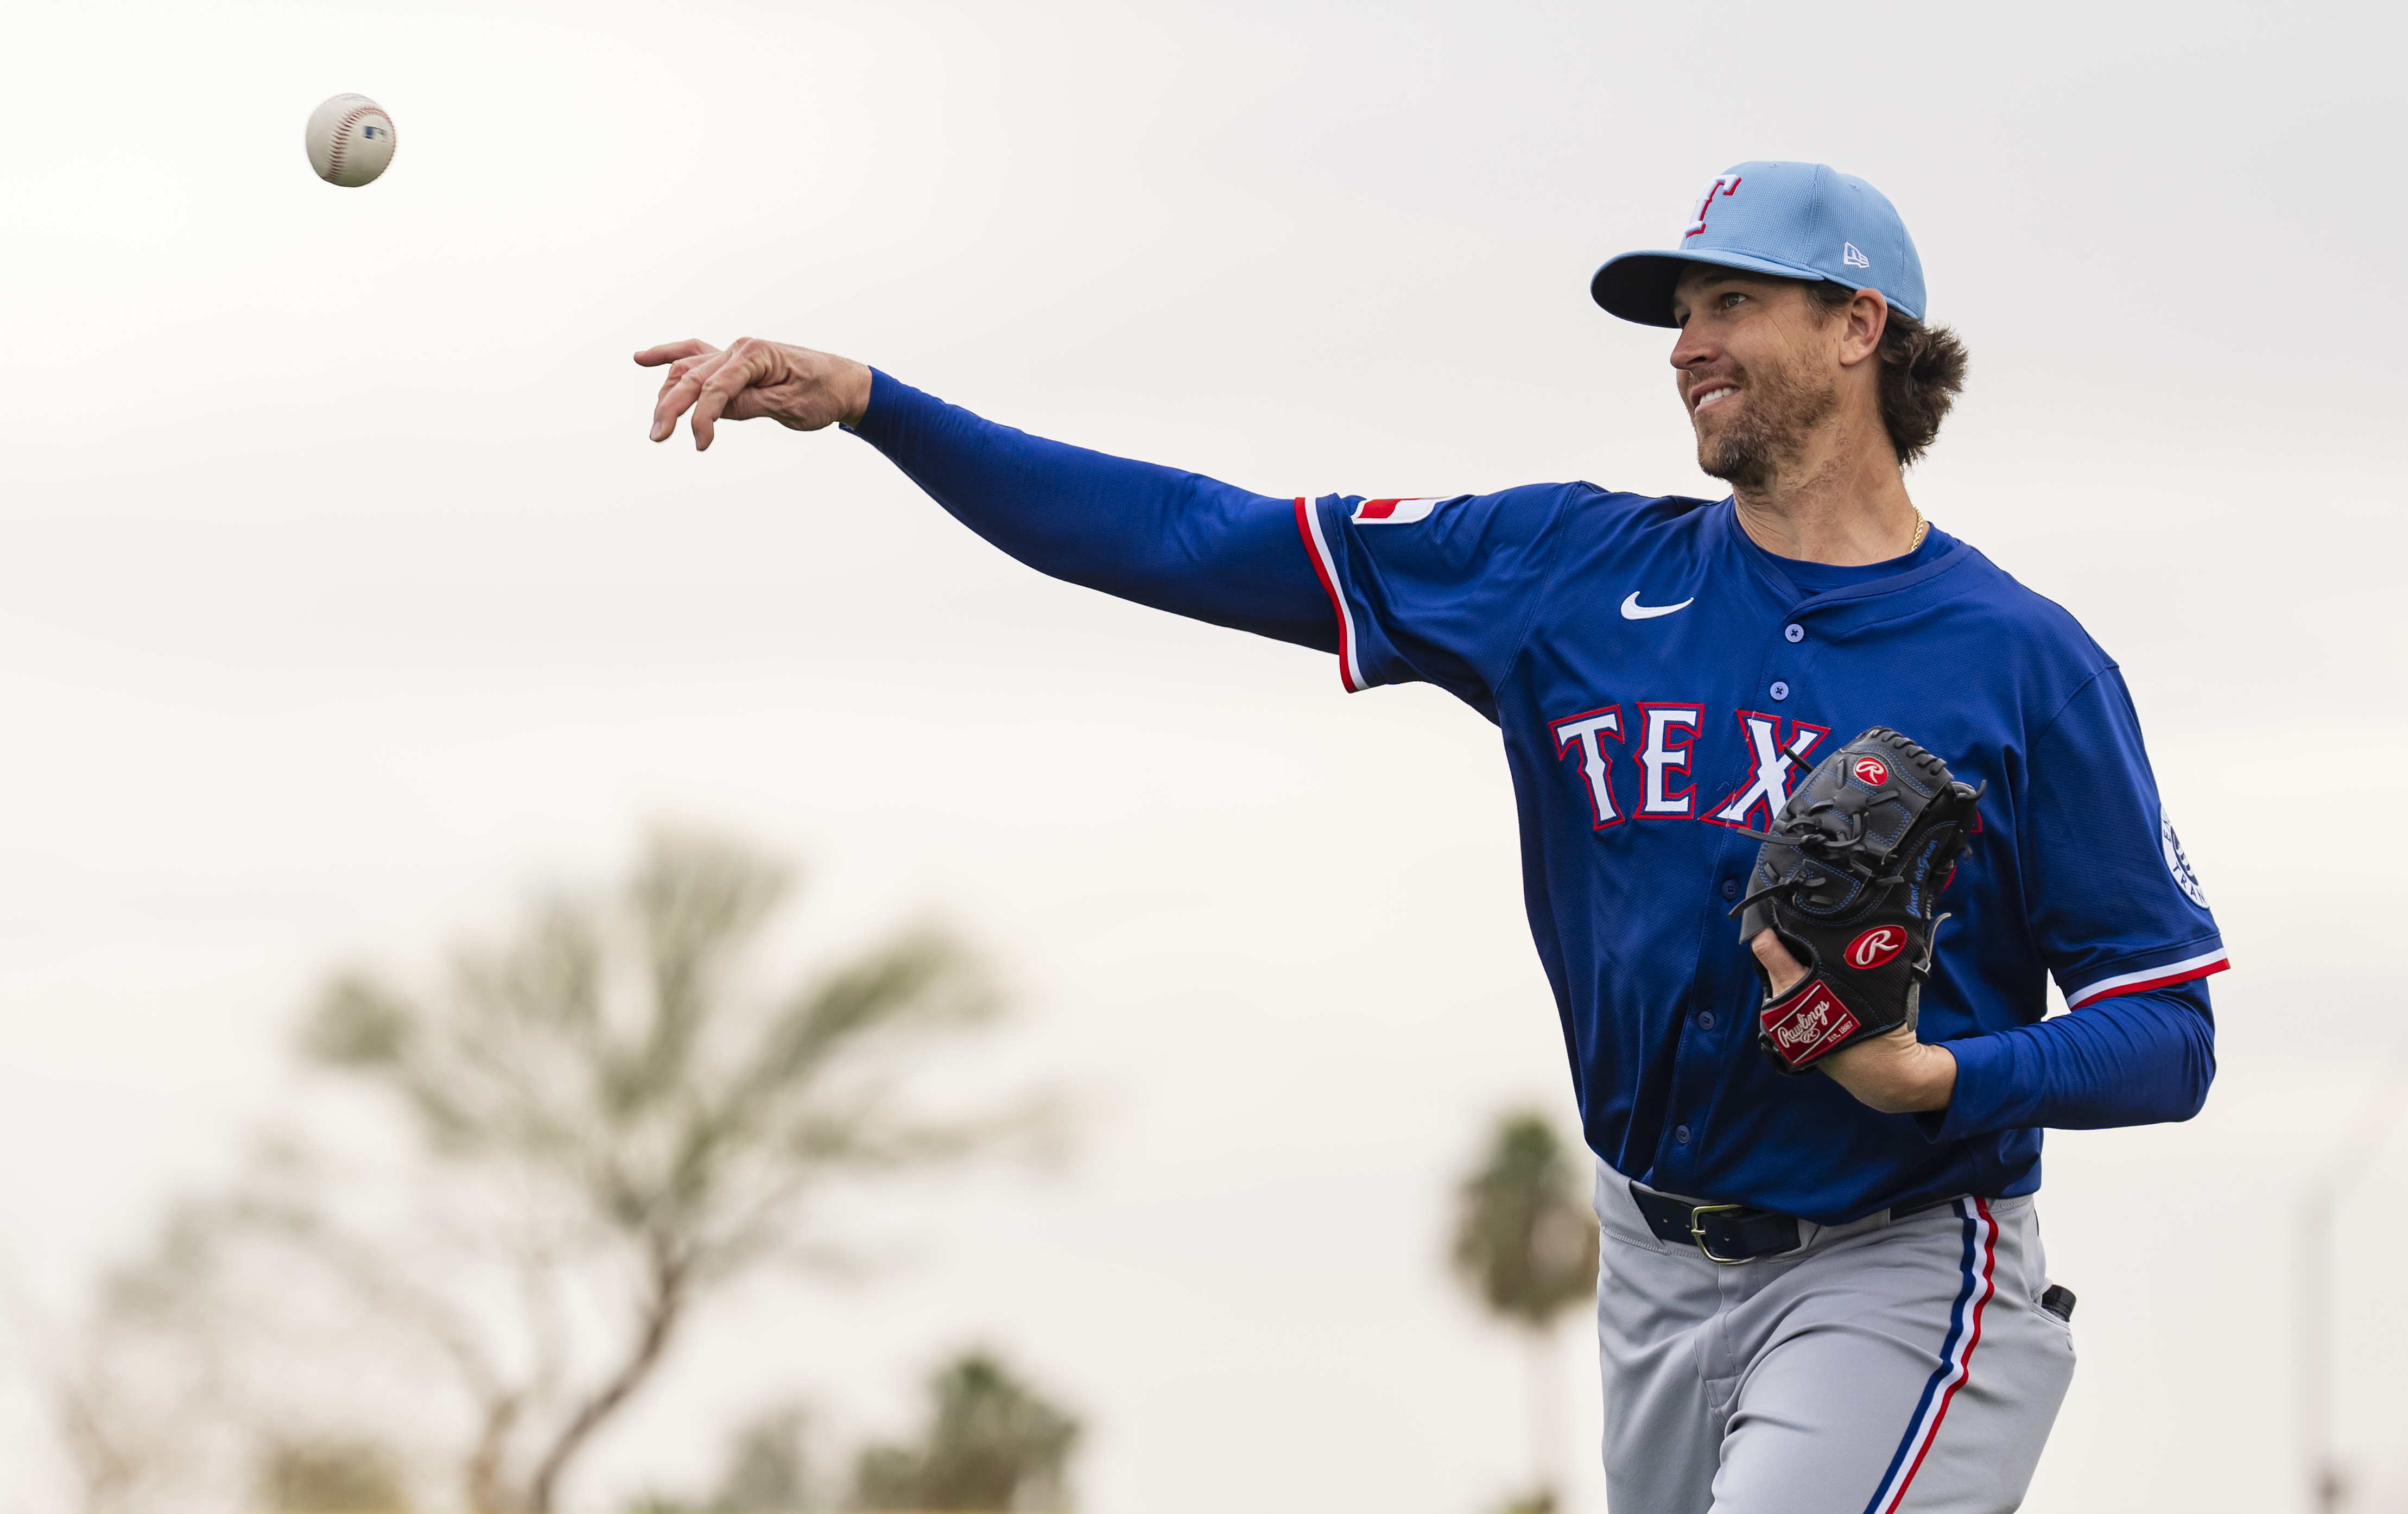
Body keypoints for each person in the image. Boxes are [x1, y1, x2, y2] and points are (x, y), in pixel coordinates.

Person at [636, 161, 2222, 1512]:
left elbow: (2168, 1028)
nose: (1686, 346)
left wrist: (1942, 1077)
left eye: (1728, 302)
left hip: (1896, 1256)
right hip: (1648, 1258)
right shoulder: (1563, 573)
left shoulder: (2016, 660)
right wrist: (876, 409)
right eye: (1678, 315)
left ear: (1857, 327)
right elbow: (1195, 536)